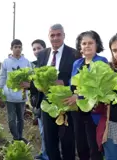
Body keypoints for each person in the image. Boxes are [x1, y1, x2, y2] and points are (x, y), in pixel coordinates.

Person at [35, 24, 81, 160]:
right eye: (52, 35)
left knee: (67, 142)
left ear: (64, 36)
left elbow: (79, 78)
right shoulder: (43, 54)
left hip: (66, 104)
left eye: (58, 35)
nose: (55, 38)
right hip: (47, 105)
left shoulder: (74, 54)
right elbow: (37, 76)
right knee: (50, 143)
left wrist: (64, 83)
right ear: (48, 36)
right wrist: (33, 85)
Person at [64, 30, 107, 160]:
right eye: (84, 43)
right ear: (80, 46)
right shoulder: (76, 63)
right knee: (81, 147)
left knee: (94, 148)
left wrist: (79, 97)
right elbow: (72, 86)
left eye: (90, 43)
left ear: (97, 45)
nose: (87, 46)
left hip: (94, 112)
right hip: (77, 112)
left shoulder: (101, 61)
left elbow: (101, 89)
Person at [0, 39, 32, 143]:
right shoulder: (6, 62)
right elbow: (2, 77)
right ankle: (15, 138)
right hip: (9, 95)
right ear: (11, 49)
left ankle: (20, 136)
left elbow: (31, 76)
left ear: (22, 48)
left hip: (21, 95)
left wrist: (29, 84)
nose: (17, 49)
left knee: (21, 118)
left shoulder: (26, 62)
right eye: (15, 47)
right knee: (12, 118)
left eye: (19, 47)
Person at [21, 39, 48, 160]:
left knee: (46, 132)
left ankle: (47, 155)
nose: (36, 51)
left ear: (45, 49)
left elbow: (43, 85)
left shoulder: (47, 65)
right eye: (34, 49)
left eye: (39, 48)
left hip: (46, 102)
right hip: (37, 103)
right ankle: (44, 153)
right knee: (43, 131)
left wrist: (30, 85)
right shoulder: (33, 65)